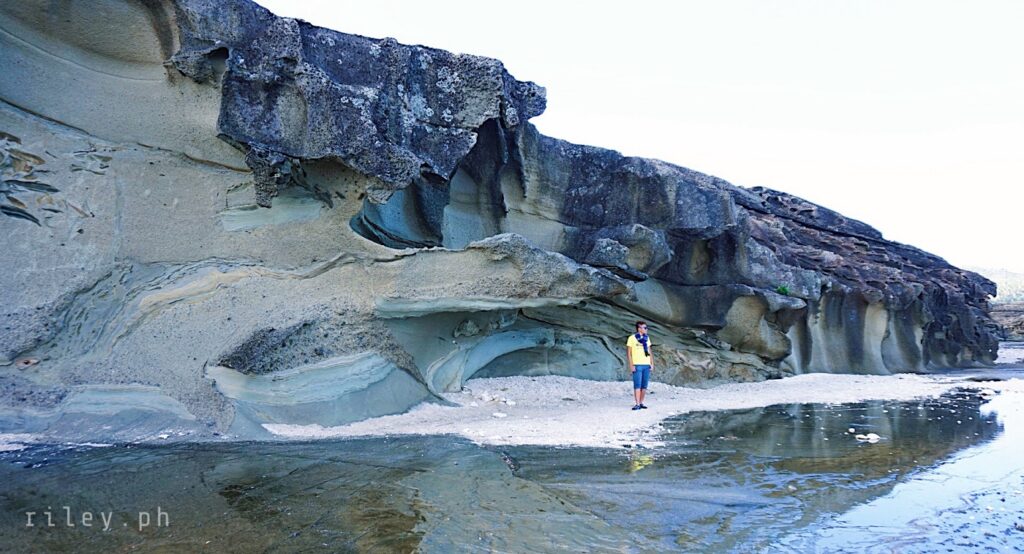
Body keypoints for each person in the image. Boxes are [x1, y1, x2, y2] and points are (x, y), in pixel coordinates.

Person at [626, 321, 653, 410]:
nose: (646, 329)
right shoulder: (632, 338)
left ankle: (641, 402)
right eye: (644, 328)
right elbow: (629, 353)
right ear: (639, 328)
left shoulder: (647, 338)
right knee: (637, 384)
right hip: (637, 364)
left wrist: (652, 363)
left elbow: (649, 351)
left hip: (646, 364)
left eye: (646, 327)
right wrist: (631, 365)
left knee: (644, 385)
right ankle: (637, 403)